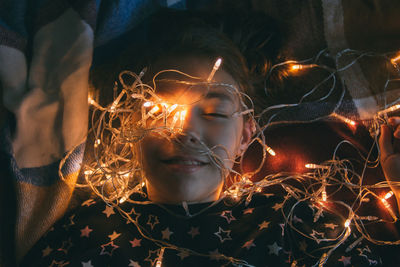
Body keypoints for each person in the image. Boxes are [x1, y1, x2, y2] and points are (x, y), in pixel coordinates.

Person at [5, 10, 400, 267]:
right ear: (129, 127)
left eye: (213, 112)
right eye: (159, 111)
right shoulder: (81, 231)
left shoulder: (290, 221)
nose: (186, 131)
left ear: (246, 134)